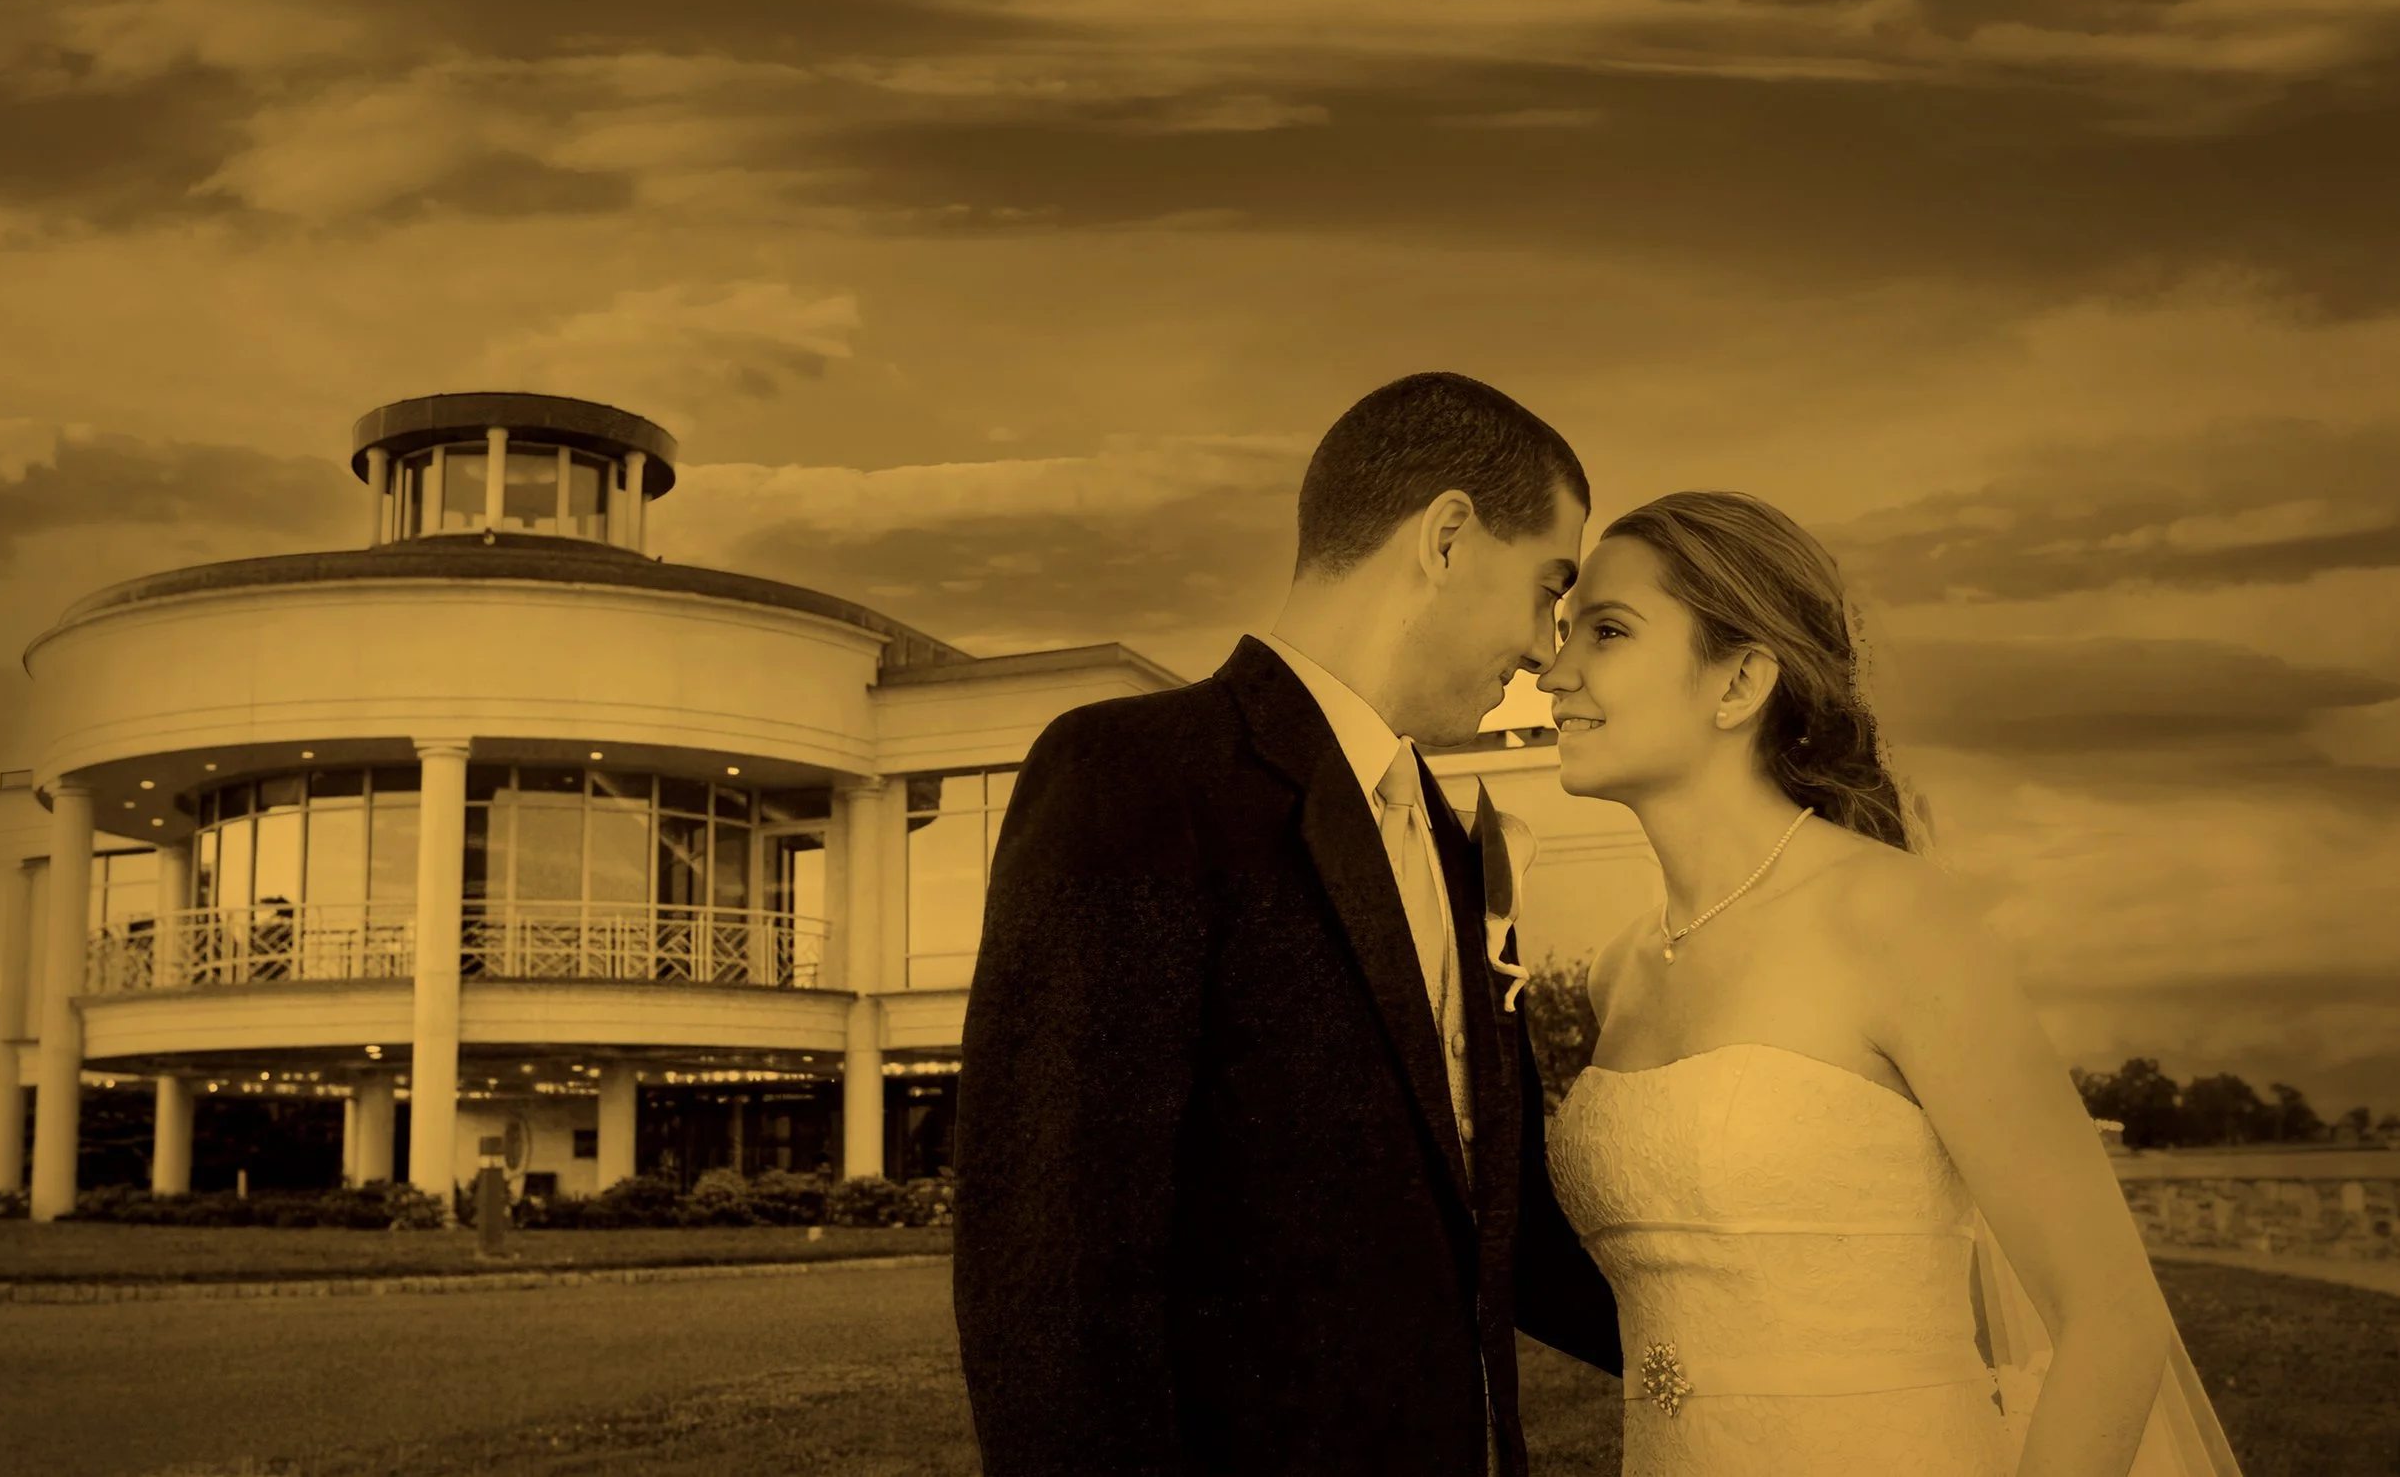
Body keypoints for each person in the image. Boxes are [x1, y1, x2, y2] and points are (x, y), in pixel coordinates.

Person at [954, 373, 1622, 1477]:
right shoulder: (1132, 778)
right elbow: (1050, 1271)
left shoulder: (1454, 847)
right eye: (1549, 587)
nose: (1545, 648)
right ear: (1448, 536)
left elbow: (1488, 1224)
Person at [1536, 490, 2243, 1477]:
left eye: (1605, 633)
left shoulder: (1896, 919)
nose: (1552, 673)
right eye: (1563, 632)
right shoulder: (1618, 968)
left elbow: (2112, 1320)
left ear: (1738, 680)